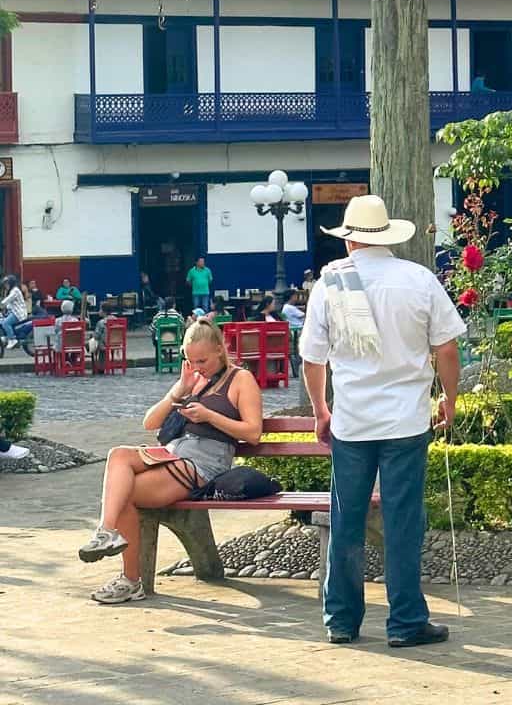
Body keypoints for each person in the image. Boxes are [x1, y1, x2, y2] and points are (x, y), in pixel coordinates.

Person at [300, 194, 467, 647]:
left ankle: (341, 621)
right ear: (387, 236)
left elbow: (313, 361)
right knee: (403, 522)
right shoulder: (418, 279)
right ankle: (406, 621)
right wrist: (449, 399)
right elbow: (447, 348)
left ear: (350, 239)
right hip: (407, 420)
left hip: (352, 421)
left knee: (346, 521)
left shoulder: (330, 284)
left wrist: (320, 410)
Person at [77, 319, 262, 603]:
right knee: (118, 455)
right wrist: (180, 389)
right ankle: (107, 533)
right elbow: (150, 422)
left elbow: (253, 433)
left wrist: (209, 415)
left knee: (125, 493)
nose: (197, 366)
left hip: (205, 464)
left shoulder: (240, 379)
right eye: (191, 360)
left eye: (202, 360)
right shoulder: (194, 380)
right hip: (174, 453)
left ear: (219, 350)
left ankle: (130, 580)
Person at [1, 275, 28, 350]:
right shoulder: (11, 291)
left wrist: (2, 304)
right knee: (2, 320)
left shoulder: (15, 290)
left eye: (7, 283)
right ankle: (7, 336)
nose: (6, 286)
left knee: (5, 323)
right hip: (14, 312)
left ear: (11, 283)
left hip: (19, 313)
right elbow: (9, 305)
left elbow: (7, 300)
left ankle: (12, 339)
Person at [87, 301, 118, 369]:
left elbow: (96, 336)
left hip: (104, 343)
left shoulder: (101, 322)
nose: (99, 311)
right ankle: (102, 366)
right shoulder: (117, 320)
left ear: (104, 311)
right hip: (116, 342)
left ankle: (100, 367)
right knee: (101, 343)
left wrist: (91, 336)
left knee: (92, 344)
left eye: (100, 309)